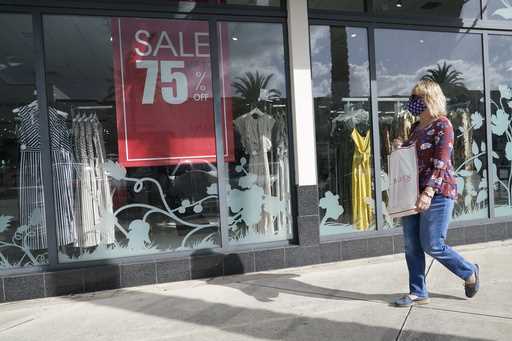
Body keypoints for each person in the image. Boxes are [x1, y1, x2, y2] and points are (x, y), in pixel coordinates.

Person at [393, 80, 480, 307]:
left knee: (432, 244)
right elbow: (412, 160)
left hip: (438, 192)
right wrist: (400, 147)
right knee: (412, 245)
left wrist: (428, 192)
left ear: (430, 99)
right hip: (412, 193)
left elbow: (441, 162)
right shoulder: (414, 128)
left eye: (418, 97)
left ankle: (469, 271)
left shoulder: (443, 125)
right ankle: (418, 292)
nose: (413, 102)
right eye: (413, 97)